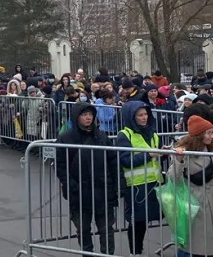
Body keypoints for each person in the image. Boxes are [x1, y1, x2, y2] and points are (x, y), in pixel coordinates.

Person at [55, 102, 118, 255]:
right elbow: (61, 166)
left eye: (90, 114)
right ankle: (87, 253)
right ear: (77, 117)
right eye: (84, 114)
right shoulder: (66, 138)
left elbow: (113, 163)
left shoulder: (102, 137)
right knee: (83, 229)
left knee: (106, 229)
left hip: (102, 191)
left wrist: (117, 187)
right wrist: (71, 186)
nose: (88, 117)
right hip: (79, 193)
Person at [168, 115, 213, 257]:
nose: (212, 137)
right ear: (198, 136)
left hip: (212, 200)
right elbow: (173, 179)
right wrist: (179, 160)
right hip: (192, 202)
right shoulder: (183, 153)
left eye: (212, 132)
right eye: (208, 133)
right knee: (191, 245)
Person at [116, 101, 162, 257]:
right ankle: (135, 252)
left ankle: (138, 250)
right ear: (132, 117)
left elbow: (156, 156)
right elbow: (126, 161)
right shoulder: (125, 135)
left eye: (146, 114)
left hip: (154, 182)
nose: (144, 118)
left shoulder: (153, 133)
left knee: (146, 220)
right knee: (137, 221)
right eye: (140, 115)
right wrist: (149, 155)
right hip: (136, 185)